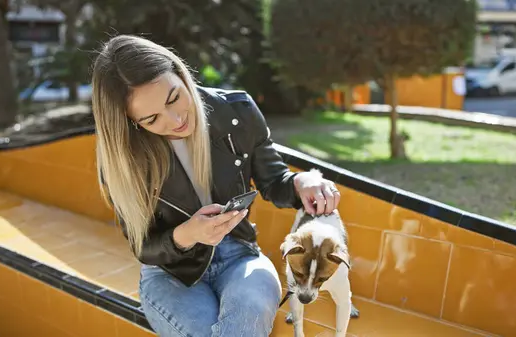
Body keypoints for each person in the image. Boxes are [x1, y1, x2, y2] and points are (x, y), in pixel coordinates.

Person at [91, 34, 341, 337]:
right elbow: (144, 247)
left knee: (246, 315)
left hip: (241, 257)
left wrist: (304, 181)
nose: (175, 119)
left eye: (174, 97)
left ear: (181, 73)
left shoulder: (237, 111)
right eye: (151, 118)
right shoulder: (122, 157)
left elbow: (275, 181)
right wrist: (189, 234)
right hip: (171, 274)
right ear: (131, 121)